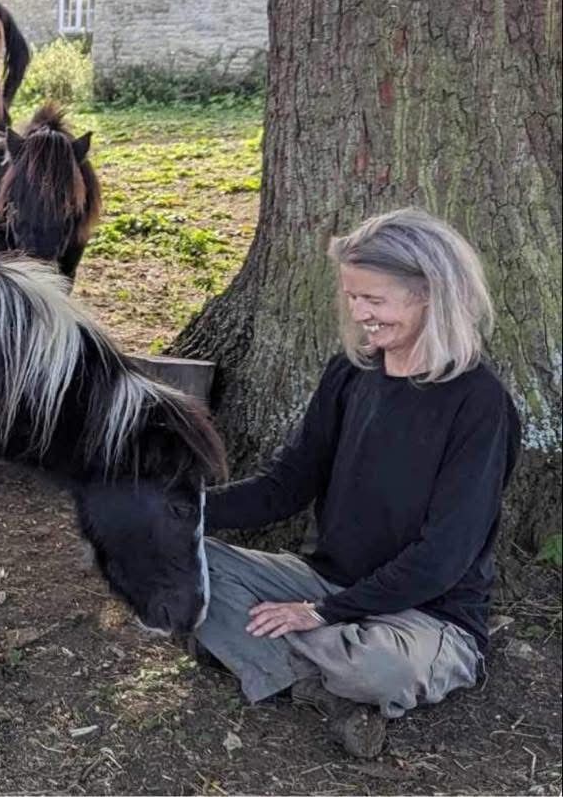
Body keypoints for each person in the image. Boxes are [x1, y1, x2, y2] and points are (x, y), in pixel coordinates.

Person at [191, 207, 521, 759]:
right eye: (352, 297)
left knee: (379, 667)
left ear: (429, 294)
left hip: (424, 613)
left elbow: (444, 556)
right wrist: (179, 510)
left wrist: (320, 614)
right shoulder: (350, 372)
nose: (360, 313)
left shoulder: (479, 404)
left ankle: (269, 658)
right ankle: (317, 683)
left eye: (375, 300)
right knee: (176, 556)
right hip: (326, 582)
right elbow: (286, 485)